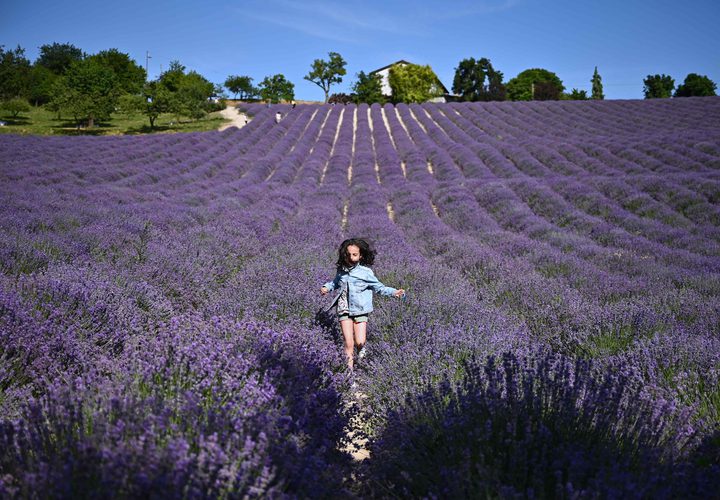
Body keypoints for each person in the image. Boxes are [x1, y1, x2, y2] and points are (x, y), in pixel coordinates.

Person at [321, 238, 405, 370]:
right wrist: (326, 287)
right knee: (348, 343)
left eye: (354, 255)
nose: (351, 257)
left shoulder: (366, 273)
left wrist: (394, 292)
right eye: (348, 254)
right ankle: (349, 375)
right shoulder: (341, 271)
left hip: (360, 309)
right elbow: (335, 283)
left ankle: (361, 349)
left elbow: (379, 287)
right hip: (344, 309)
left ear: (361, 256)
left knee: (359, 341)